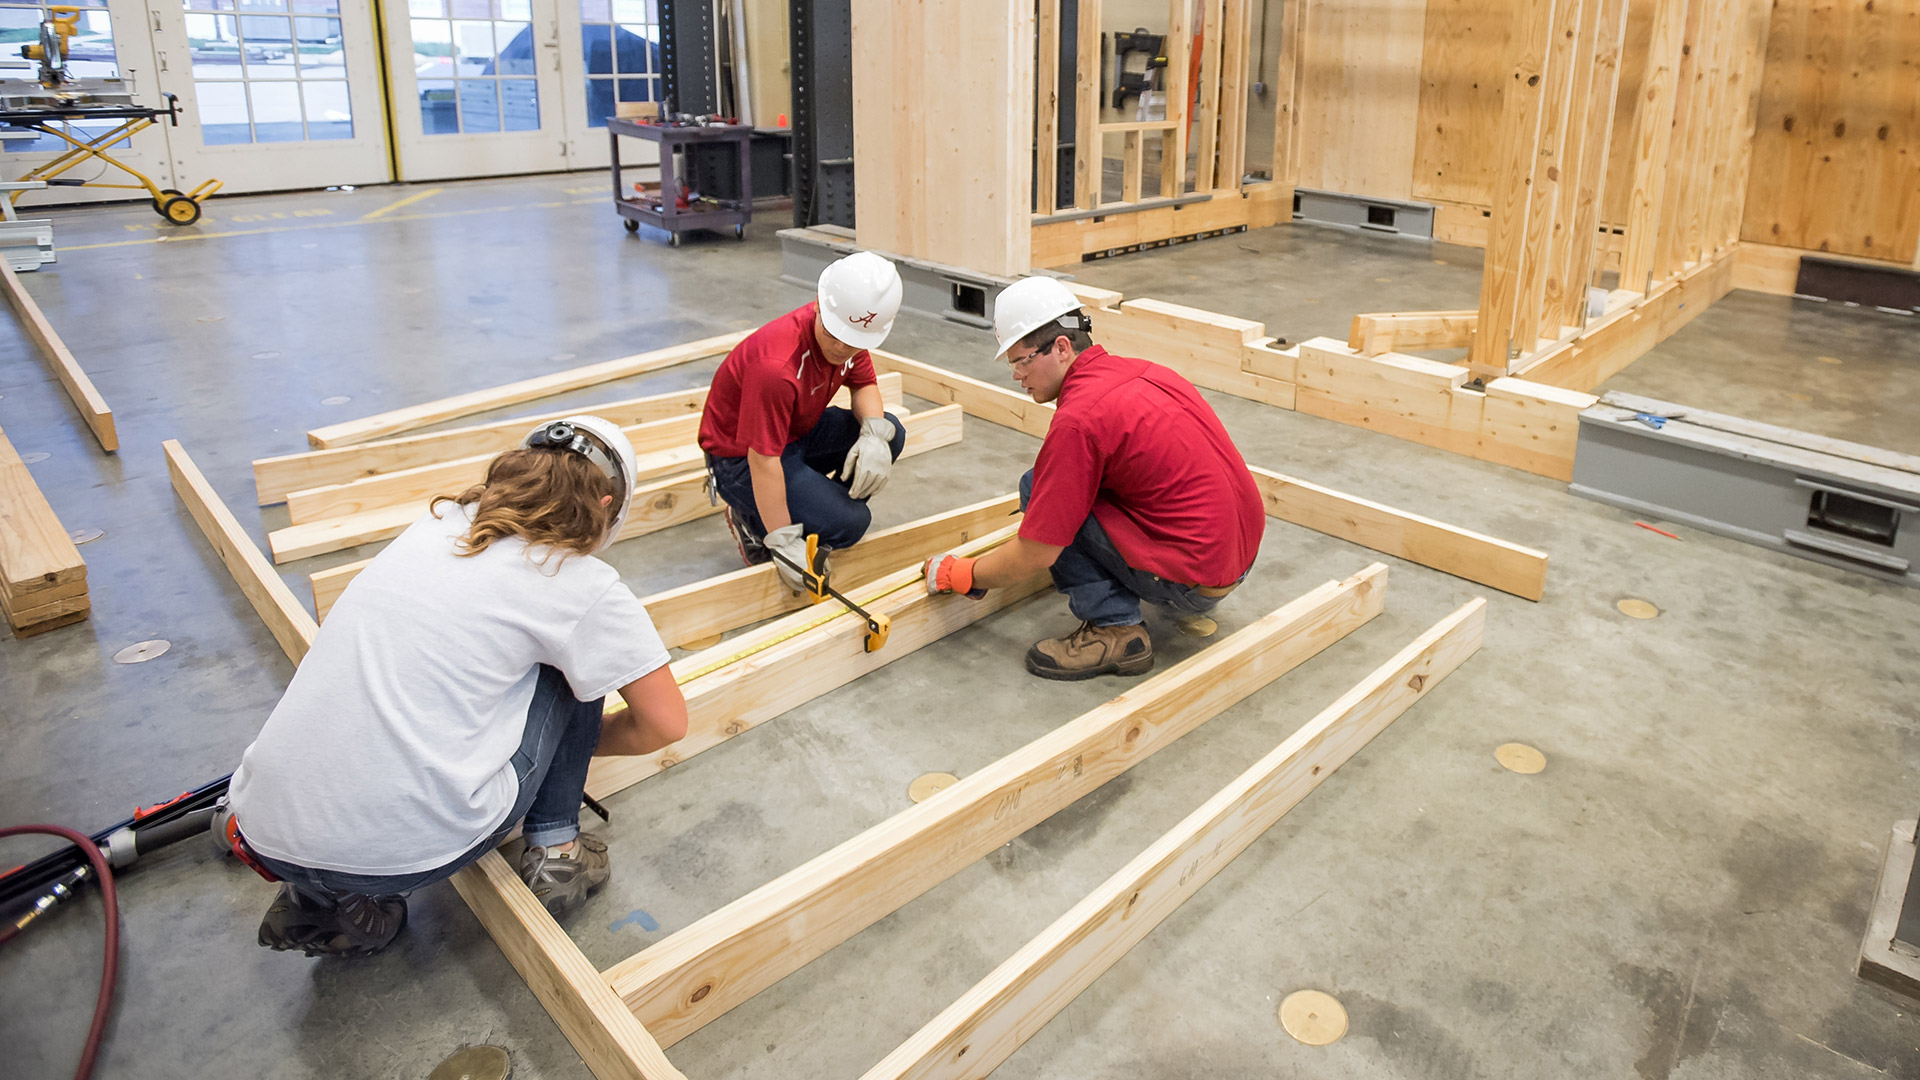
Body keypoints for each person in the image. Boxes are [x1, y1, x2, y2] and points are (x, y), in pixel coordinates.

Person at [223, 416, 689, 957]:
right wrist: (574, 739)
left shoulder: (432, 529)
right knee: (575, 664)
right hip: (414, 850)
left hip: (261, 825)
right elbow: (665, 723)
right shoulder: (577, 585)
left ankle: (324, 903)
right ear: (607, 505)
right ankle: (558, 850)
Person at [923, 277, 1265, 680]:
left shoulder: (1080, 420)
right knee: (1070, 486)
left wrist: (966, 574)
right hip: (1235, 562)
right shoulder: (1147, 372)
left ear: (1062, 348)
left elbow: (1037, 553)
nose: (1016, 374)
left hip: (1191, 584)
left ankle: (1116, 630)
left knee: (1038, 487)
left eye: (1022, 360)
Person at [699, 251, 908, 592]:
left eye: (854, 342)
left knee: (890, 432)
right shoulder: (777, 367)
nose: (841, 348)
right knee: (851, 524)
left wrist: (872, 434)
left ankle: (813, 512)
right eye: (834, 334)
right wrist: (782, 539)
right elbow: (763, 460)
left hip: (794, 433)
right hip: (739, 460)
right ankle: (754, 521)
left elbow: (864, 383)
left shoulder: (849, 328)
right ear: (818, 305)